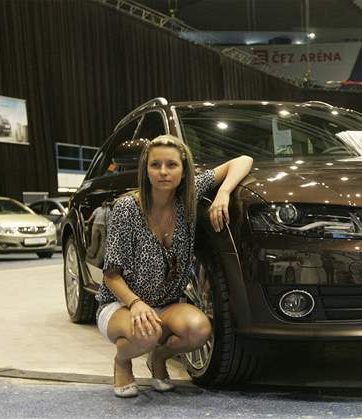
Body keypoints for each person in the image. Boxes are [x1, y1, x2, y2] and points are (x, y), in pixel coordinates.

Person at [95, 134, 253, 397]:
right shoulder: (127, 208)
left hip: (166, 304)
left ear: (184, 170)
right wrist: (136, 304)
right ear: (145, 170)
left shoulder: (188, 200)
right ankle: (122, 361)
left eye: (171, 165)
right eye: (155, 165)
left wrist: (223, 192)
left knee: (199, 329)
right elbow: (111, 276)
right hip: (121, 304)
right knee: (146, 333)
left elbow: (243, 160)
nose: (163, 172)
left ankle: (159, 358)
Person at [86, 200, 110, 267]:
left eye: (105, 202)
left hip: (103, 226)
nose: (104, 203)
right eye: (103, 202)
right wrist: (89, 221)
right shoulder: (98, 209)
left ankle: (100, 256)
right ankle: (91, 253)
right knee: (94, 239)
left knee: (103, 241)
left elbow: (108, 218)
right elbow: (93, 215)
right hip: (96, 224)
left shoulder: (108, 210)